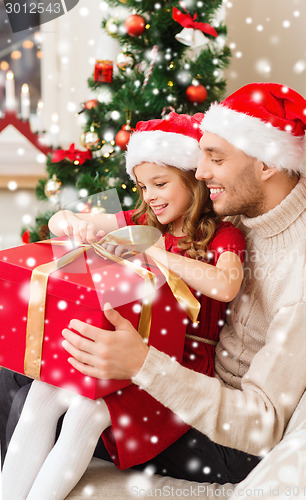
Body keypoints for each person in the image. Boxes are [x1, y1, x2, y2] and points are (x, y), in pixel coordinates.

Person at [57, 83, 306, 480]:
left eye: (215, 158)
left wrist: (141, 364)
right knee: (30, 370)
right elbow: (137, 226)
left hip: (229, 440)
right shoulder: (244, 209)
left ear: (266, 163)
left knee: (49, 395)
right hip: (188, 376)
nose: (200, 171)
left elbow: (260, 426)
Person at [2, 112, 248, 500]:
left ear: (192, 179)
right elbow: (60, 222)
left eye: (161, 183)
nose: (149, 195)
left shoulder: (222, 233)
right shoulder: (140, 221)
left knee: (87, 412)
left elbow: (226, 285)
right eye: (141, 185)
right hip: (125, 350)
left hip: (175, 367)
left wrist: (158, 253)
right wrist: (71, 224)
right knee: (43, 392)